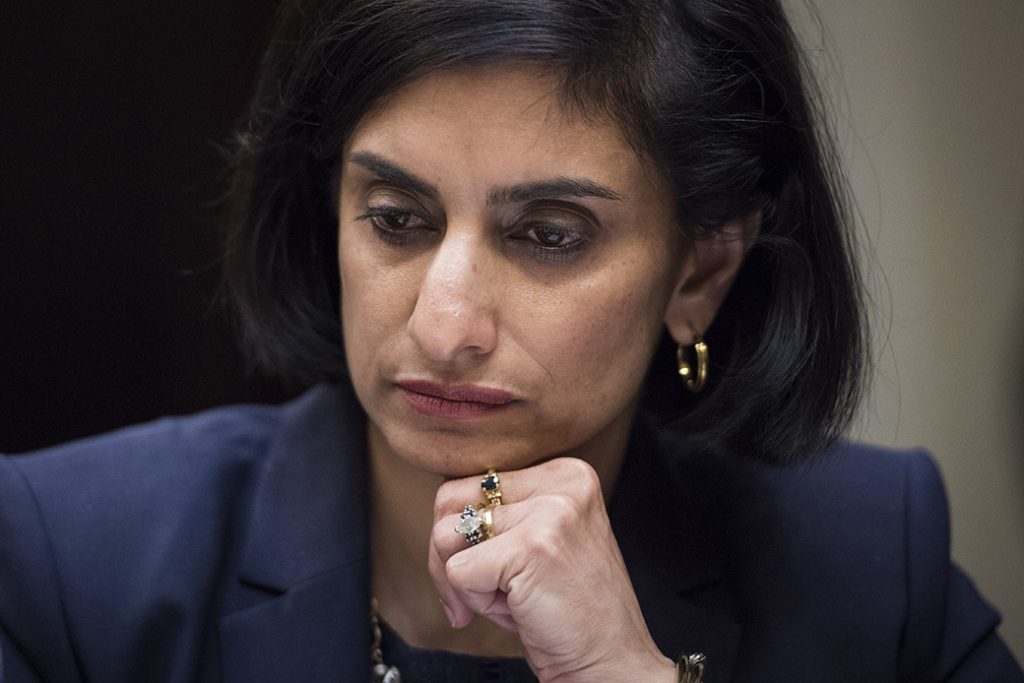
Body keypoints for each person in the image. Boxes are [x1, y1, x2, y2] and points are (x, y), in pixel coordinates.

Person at [1, 0, 1021, 681]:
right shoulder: (69, 559)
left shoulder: (875, 566)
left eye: (547, 236)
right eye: (396, 216)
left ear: (700, 269)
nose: (444, 326)